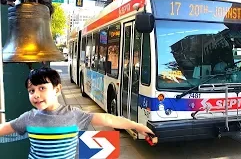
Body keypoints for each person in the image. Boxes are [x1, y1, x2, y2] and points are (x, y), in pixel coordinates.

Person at [0, 67, 154, 158]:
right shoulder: (28, 118)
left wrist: (137, 126)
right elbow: (4, 128)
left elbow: (109, 120)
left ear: (57, 89)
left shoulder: (74, 115)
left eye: (42, 88)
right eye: (31, 90)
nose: (36, 95)